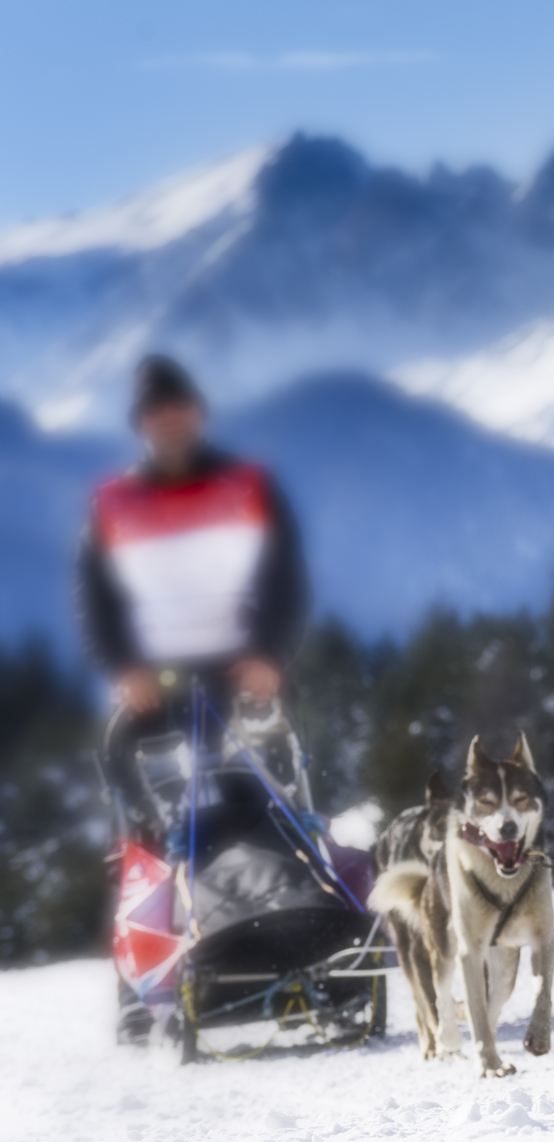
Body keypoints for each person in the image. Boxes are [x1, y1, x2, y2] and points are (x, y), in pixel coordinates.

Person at [77, 356, 310, 1038]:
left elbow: (286, 580)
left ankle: (277, 946)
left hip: (240, 674)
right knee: (143, 831)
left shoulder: (248, 485)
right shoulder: (114, 503)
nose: (170, 421)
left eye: (179, 408)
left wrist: (269, 653)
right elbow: (97, 601)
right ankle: (143, 976)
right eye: (157, 412)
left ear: (196, 414)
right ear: (144, 423)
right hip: (153, 686)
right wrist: (123, 666)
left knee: (264, 804)